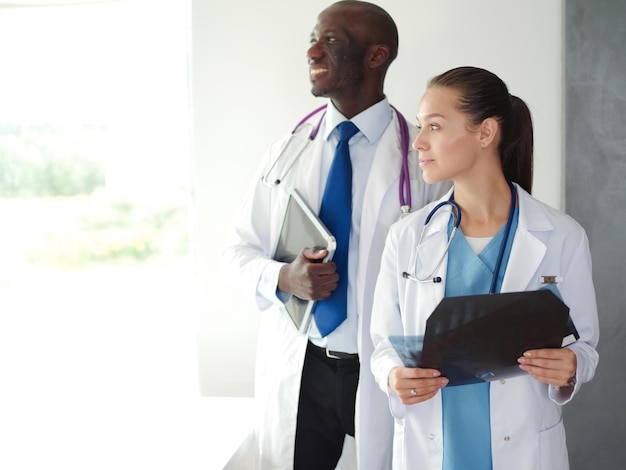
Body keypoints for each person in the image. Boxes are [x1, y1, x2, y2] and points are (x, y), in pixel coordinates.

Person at [221, 2, 450, 469]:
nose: (311, 50)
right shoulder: (286, 152)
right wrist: (285, 277)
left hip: (384, 363)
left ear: (375, 56)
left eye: (331, 41)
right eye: (313, 37)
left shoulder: (422, 162)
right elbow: (237, 251)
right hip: (304, 365)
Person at [369, 66, 600, 470]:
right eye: (421, 127)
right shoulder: (407, 236)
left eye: (435, 127)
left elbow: (585, 346)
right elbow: (383, 345)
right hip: (433, 448)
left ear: (485, 133)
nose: (418, 142)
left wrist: (571, 366)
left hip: (524, 448)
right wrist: (392, 375)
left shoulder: (562, 236)